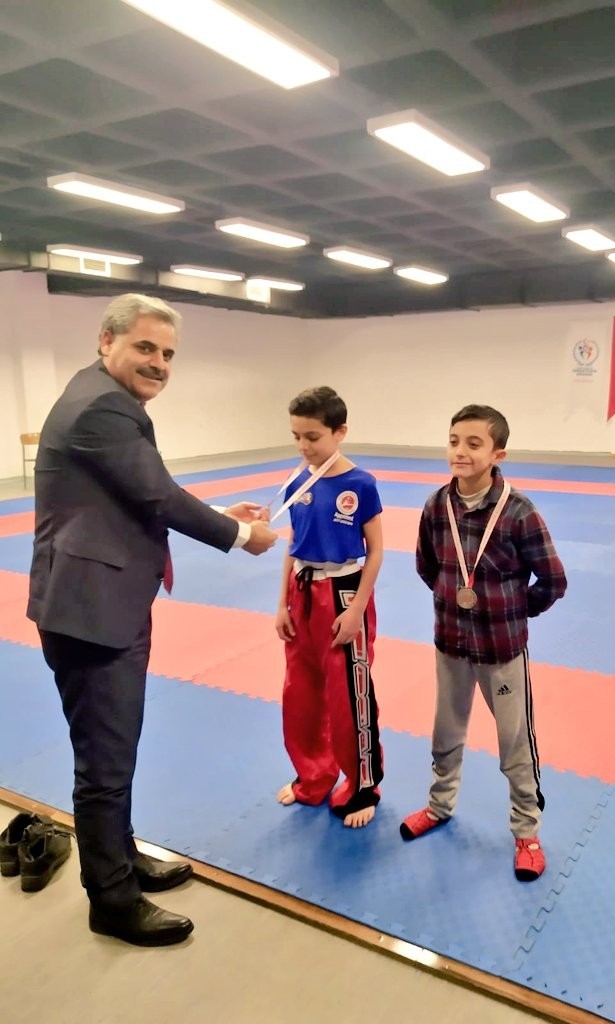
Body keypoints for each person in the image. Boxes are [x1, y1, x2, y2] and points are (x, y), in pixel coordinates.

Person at [27, 293, 277, 945]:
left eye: (168, 353)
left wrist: (221, 513)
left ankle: (122, 857)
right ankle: (111, 900)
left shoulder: (105, 397)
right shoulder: (102, 406)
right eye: (145, 346)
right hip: (89, 611)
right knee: (103, 761)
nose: (159, 363)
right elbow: (157, 494)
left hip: (104, 601)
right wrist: (238, 535)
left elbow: (138, 493)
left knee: (115, 750)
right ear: (106, 340)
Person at [400, 404, 567, 881]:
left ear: (498, 454)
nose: (461, 451)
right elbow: (426, 566)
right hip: (450, 643)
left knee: (514, 743)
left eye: (474, 444)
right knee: (445, 732)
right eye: (454, 441)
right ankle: (439, 805)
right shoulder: (436, 506)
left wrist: (514, 612)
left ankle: (526, 831)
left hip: (501, 650)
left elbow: (553, 580)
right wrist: (453, 599)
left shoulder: (519, 512)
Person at [274, 386, 384, 828]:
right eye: (297, 436)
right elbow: (293, 543)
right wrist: (282, 604)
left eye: (313, 437)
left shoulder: (360, 483)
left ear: (340, 432)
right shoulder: (298, 479)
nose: (304, 446)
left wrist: (357, 609)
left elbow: (376, 551)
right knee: (299, 693)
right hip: (301, 592)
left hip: (343, 593)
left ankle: (362, 787)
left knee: (347, 696)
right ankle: (313, 776)